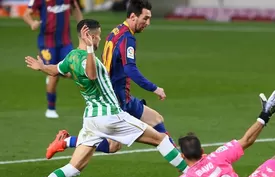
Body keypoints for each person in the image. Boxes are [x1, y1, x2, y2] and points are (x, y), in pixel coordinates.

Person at [16, 19, 188, 177]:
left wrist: (42, 67)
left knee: (74, 168)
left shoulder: (71, 56)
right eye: (98, 36)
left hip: (91, 120)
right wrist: (90, 50)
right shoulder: (86, 58)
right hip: (111, 116)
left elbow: (55, 70)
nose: (99, 40)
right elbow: (90, 74)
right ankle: (194, 176)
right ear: (91, 36)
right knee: (161, 139)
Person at [45, 0, 178, 159]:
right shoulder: (128, 38)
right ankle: (67, 141)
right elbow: (130, 69)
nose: (148, 23)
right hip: (116, 98)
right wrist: (154, 88)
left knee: (156, 119)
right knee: (113, 146)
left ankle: (179, 155)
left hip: (121, 94)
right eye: (145, 18)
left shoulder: (116, 31)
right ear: (133, 16)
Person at [23, 0, 83, 118]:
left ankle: (52, 71)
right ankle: (51, 109)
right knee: (53, 75)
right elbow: (26, 14)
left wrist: (82, 25)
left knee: (74, 70)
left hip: (65, 42)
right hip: (47, 43)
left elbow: (75, 8)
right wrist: (31, 23)